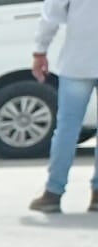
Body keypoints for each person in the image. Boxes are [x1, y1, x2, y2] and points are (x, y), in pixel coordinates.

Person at [27, 0, 98, 213]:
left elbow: (51, 12)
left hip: (78, 62)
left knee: (67, 130)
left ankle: (53, 192)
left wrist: (40, 50)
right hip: (78, 62)